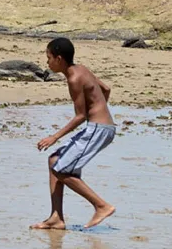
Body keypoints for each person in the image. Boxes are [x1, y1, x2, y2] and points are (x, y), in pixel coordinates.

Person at [31, 38, 117, 231]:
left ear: (59, 59)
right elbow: (106, 89)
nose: (47, 63)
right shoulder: (82, 69)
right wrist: (101, 108)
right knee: (54, 161)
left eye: (49, 58)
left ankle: (101, 206)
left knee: (61, 170)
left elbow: (80, 116)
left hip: (98, 129)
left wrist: (54, 137)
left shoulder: (73, 79)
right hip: (101, 127)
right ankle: (56, 218)